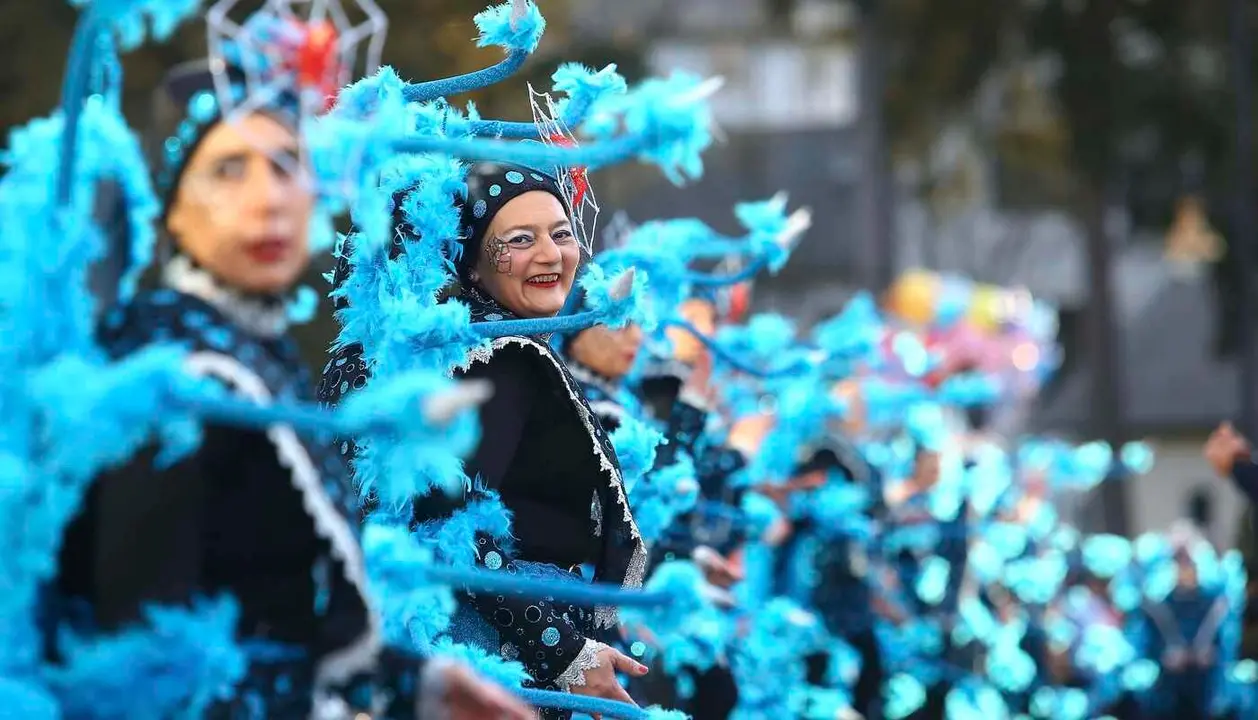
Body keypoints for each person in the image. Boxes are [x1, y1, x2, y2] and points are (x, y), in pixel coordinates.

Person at [48, 60, 529, 720]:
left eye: (285, 165)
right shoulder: (170, 379)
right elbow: (140, 674)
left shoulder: (249, 350)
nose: (268, 197)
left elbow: (276, 612)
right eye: (228, 169)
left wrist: (411, 688)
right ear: (173, 209)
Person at [320, 162, 649, 717]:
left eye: (561, 233)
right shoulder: (500, 359)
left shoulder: (478, 351)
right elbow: (452, 526)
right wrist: (561, 649)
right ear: (472, 265)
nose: (550, 255)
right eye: (520, 240)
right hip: (493, 654)